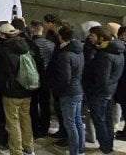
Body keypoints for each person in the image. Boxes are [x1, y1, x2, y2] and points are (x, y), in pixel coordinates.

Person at [83, 25, 125, 154]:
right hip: (109, 90)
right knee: (106, 119)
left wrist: (91, 91)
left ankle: (105, 148)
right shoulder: (117, 51)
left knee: (100, 120)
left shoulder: (104, 55)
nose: (90, 38)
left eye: (93, 36)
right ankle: (108, 145)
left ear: (101, 38)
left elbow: (102, 79)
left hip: (99, 93)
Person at [0, 22, 34, 155]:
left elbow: (2, 74)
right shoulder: (24, 46)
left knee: (13, 123)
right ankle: (29, 148)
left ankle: (16, 151)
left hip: (11, 92)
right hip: (26, 89)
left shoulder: (6, 50)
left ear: (2, 35)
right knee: (26, 119)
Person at [51, 25, 85, 155]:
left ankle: (74, 152)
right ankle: (80, 150)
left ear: (60, 37)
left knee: (70, 123)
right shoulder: (79, 51)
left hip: (68, 93)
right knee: (77, 121)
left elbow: (65, 79)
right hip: (78, 90)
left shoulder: (65, 55)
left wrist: (58, 91)